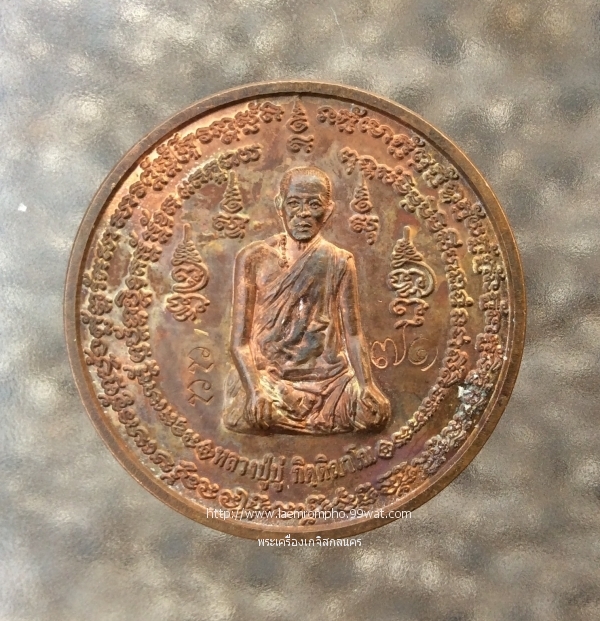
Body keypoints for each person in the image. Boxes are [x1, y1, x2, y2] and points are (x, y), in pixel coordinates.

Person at [223, 166, 391, 434]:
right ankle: (279, 407)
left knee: (373, 416)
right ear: (280, 205)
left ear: (329, 210)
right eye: (294, 203)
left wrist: (366, 384)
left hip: (329, 381)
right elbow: (239, 343)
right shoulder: (253, 258)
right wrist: (255, 390)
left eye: (314, 204)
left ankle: (305, 414)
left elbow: (353, 334)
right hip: (271, 380)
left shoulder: (339, 260)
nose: (303, 213)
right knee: (248, 414)